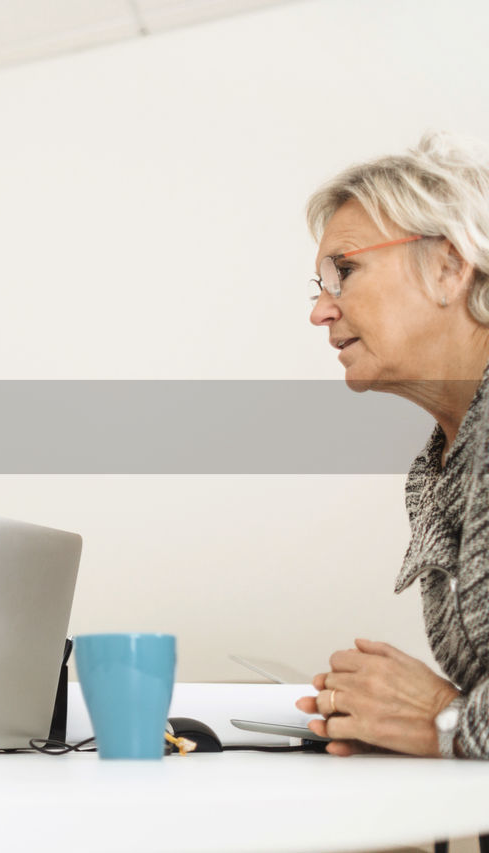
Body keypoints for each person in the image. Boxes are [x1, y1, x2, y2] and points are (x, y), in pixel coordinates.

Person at [295, 132, 489, 758]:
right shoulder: (440, 467)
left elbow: (454, 713)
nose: (321, 311)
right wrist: (392, 717)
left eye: (344, 272)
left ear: (451, 266)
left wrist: (441, 720)